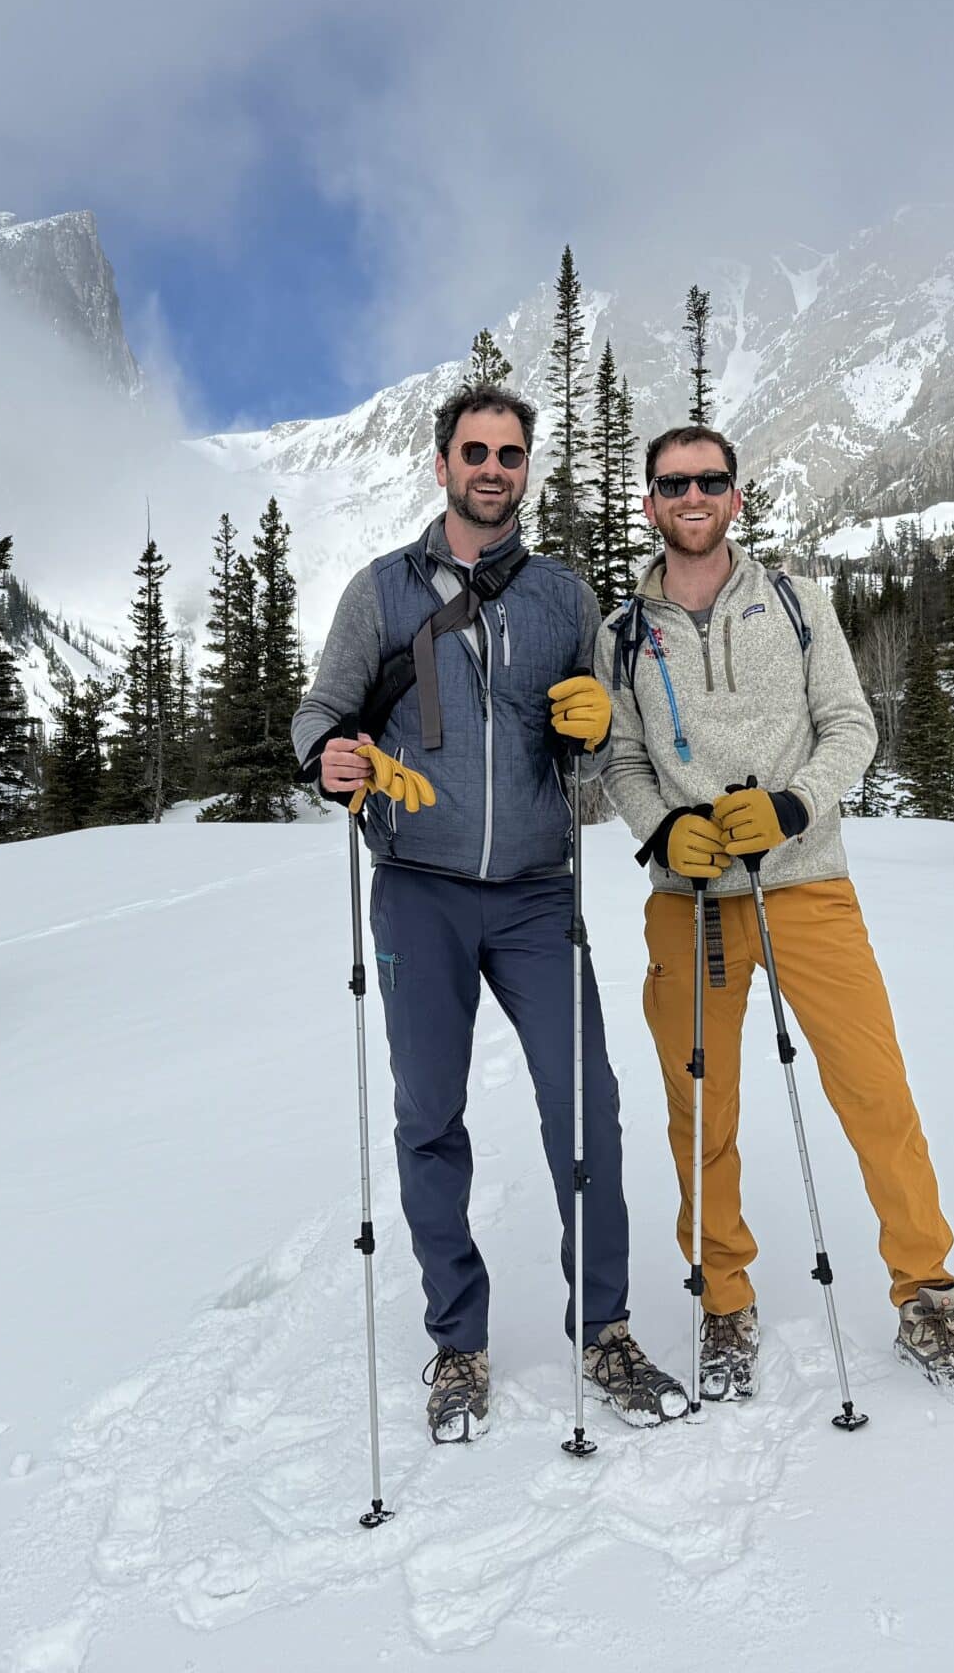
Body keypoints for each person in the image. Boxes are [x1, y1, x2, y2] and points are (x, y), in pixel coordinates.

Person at [294, 380, 689, 1444]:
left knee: (586, 1108)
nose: (492, 469)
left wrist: (597, 722)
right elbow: (321, 713)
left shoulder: (563, 599)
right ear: (441, 465)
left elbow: (599, 757)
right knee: (430, 1118)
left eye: (509, 454)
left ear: (527, 468)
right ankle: (456, 1342)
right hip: (415, 889)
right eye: (474, 451)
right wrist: (331, 763)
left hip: (532, 892)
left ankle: (600, 1328)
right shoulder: (379, 593)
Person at [596, 423, 954, 1410]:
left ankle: (927, 1301)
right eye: (671, 482)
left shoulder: (794, 601)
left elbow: (852, 728)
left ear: (736, 497)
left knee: (875, 1094)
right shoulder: (622, 632)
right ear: (649, 502)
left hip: (809, 889)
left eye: (709, 480)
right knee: (702, 1113)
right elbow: (618, 761)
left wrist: (790, 807)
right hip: (687, 907)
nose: (690, 495)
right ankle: (723, 1303)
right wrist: (660, 832)